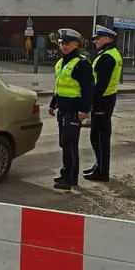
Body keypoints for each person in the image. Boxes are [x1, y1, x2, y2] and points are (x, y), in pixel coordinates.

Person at [49, 28, 94, 190]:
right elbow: (59, 86)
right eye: (61, 43)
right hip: (63, 109)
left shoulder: (81, 64)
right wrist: (53, 103)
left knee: (69, 143)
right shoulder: (61, 62)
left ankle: (69, 178)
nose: (64, 46)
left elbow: (88, 89)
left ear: (76, 44)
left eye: (67, 43)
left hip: (74, 111)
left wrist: (84, 110)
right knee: (66, 144)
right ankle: (67, 174)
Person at [84, 25, 123, 182]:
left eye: (97, 38)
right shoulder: (113, 54)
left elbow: (100, 84)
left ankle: (102, 171)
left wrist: (92, 102)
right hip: (108, 98)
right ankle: (99, 166)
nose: (95, 41)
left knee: (98, 137)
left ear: (107, 39)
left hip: (102, 101)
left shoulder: (107, 57)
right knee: (101, 136)